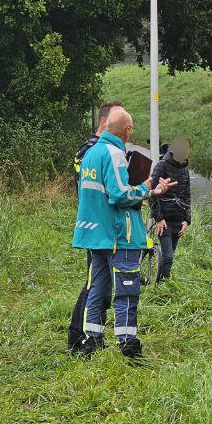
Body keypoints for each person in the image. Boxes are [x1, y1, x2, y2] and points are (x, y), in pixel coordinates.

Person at [73, 107, 174, 359]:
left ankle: (92, 340)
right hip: (119, 236)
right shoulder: (115, 154)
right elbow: (119, 195)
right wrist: (146, 189)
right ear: (127, 130)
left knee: (97, 289)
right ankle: (128, 344)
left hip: (95, 236)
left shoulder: (91, 153)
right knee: (127, 291)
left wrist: (148, 189)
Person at [68, 101, 123, 352]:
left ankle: (94, 338)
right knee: (94, 286)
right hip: (97, 228)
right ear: (104, 122)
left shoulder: (100, 150)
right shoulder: (90, 151)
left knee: (101, 286)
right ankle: (79, 339)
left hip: (104, 228)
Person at [150, 135, 192, 282]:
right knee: (167, 257)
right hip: (164, 220)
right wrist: (158, 218)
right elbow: (152, 194)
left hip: (178, 220)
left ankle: (162, 282)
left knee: (170, 255)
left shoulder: (185, 169)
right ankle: (162, 285)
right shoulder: (162, 165)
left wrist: (187, 220)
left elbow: (187, 195)